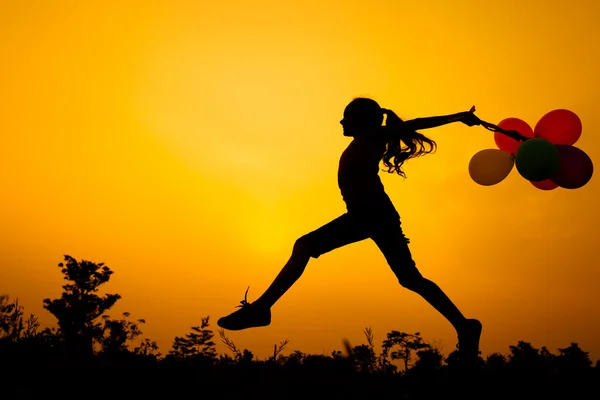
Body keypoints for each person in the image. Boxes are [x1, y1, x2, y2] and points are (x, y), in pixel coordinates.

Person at [217, 97, 483, 364]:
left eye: (347, 117)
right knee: (410, 278)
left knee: (305, 246)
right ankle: (465, 326)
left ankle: (262, 309)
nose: (342, 121)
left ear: (364, 120)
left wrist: (459, 116)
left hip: (370, 213)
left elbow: (415, 124)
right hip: (373, 215)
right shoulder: (363, 142)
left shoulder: (374, 136)